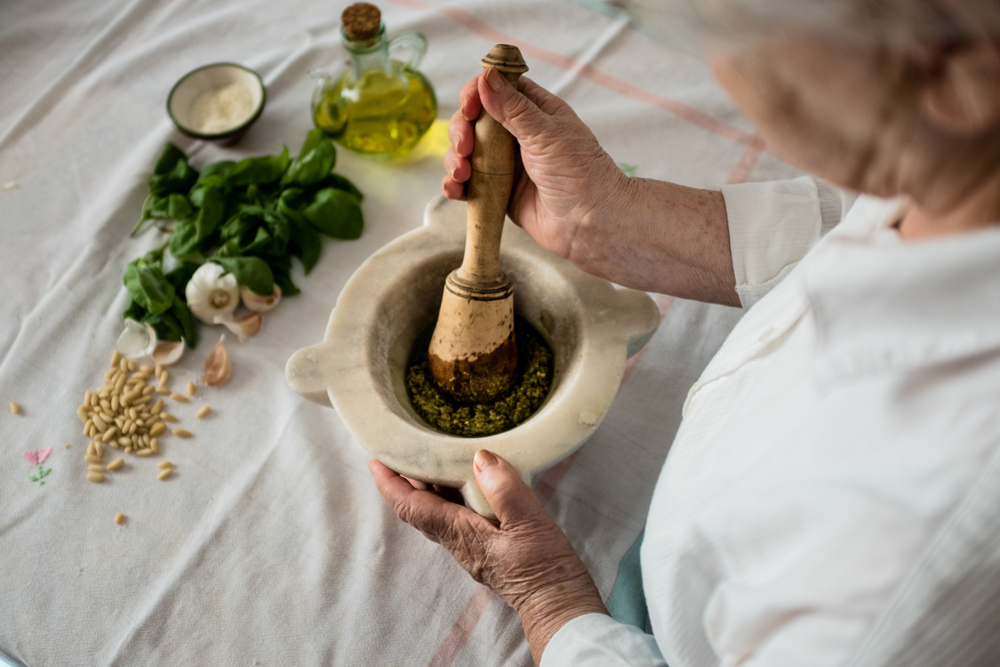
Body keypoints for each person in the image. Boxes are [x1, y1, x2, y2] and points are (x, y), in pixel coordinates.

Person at [369, 0, 1000, 664]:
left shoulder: (910, 559)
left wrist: (552, 600)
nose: (720, 64)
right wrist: (606, 219)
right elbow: (870, 216)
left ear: (961, 78)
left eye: (738, 28)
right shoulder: (963, 170)